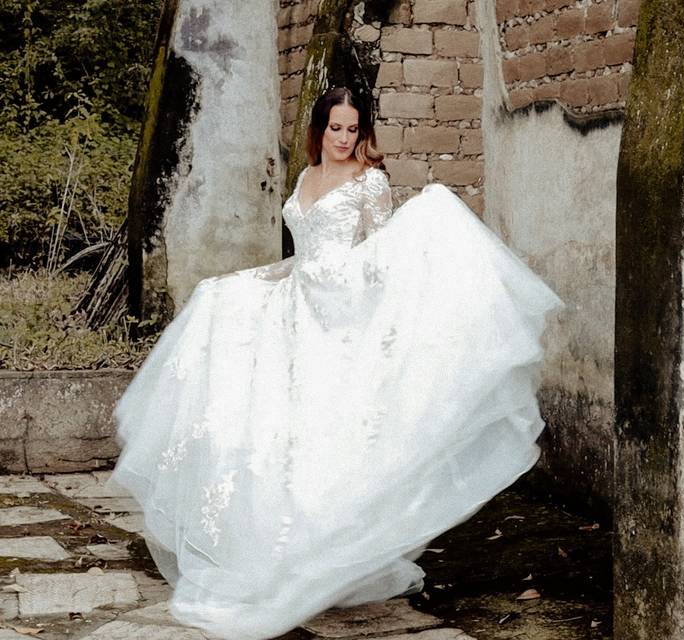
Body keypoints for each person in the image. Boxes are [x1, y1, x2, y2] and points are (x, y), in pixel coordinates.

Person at [111, 87, 562, 640]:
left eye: (353, 130)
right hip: (298, 309)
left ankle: (321, 549)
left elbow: (381, 256)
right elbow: (305, 253)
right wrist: (255, 278)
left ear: (362, 131)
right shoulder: (303, 179)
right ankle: (277, 549)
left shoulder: (370, 183)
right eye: (336, 129)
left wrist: (355, 296)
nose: (345, 139)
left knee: (328, 436)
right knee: (266, 419)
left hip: (340, 315)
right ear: (320, 130)